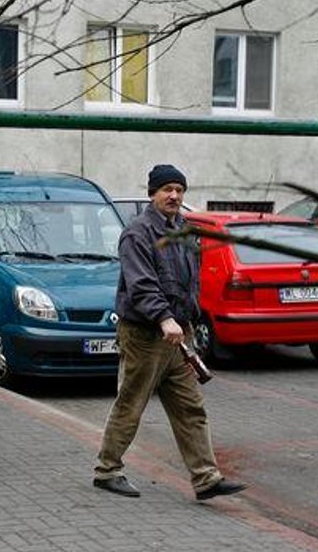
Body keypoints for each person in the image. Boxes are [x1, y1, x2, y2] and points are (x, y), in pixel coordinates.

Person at [93, 164, 247, 501]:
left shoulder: (185, 231)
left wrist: (188, 320)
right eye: (167, 190)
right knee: (131, 403)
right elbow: (141, 283)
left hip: (179, 337)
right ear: (153, 194)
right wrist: (164, 318)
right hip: (146, 335)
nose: (174, 196)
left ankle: (206, 478)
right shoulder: (137, 233)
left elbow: (191, 281)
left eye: (179, 190)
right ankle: (107, 470)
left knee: (191, 407)